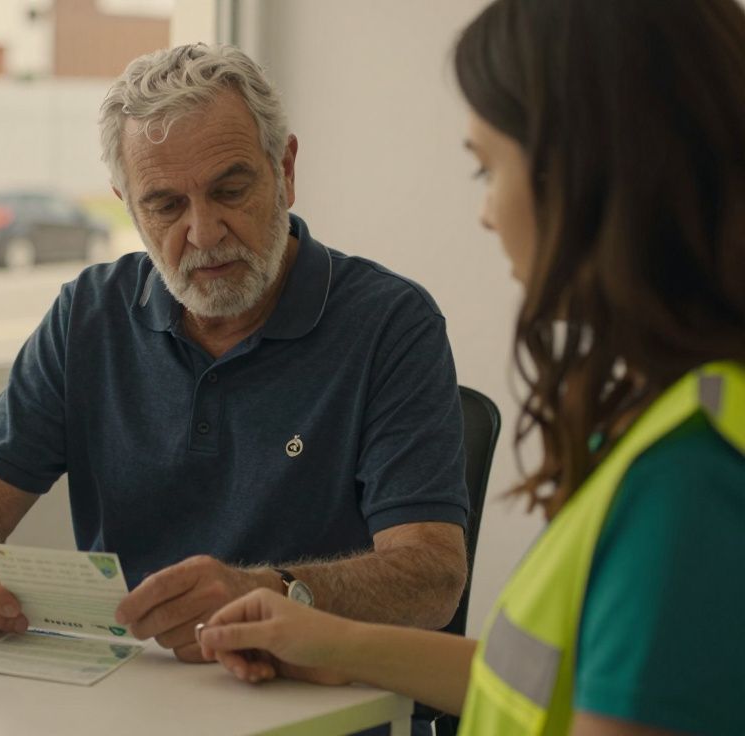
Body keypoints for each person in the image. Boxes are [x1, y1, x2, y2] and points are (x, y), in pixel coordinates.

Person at [197, 0, 745, 734]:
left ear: (583, 175)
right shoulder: (682, 414)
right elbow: (564, 681)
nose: (487, 214)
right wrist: (333, 639)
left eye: (488, 168)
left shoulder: (687, 479)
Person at [0, 44, 472, 662]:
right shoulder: (87, 314)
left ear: (284, 169)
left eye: (230, 191)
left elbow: (432, 577)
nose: (203, 232)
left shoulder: (390, 323)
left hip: (322, 705)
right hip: (131, 696)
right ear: (127, 204)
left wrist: (271, 595)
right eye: (166, 205)